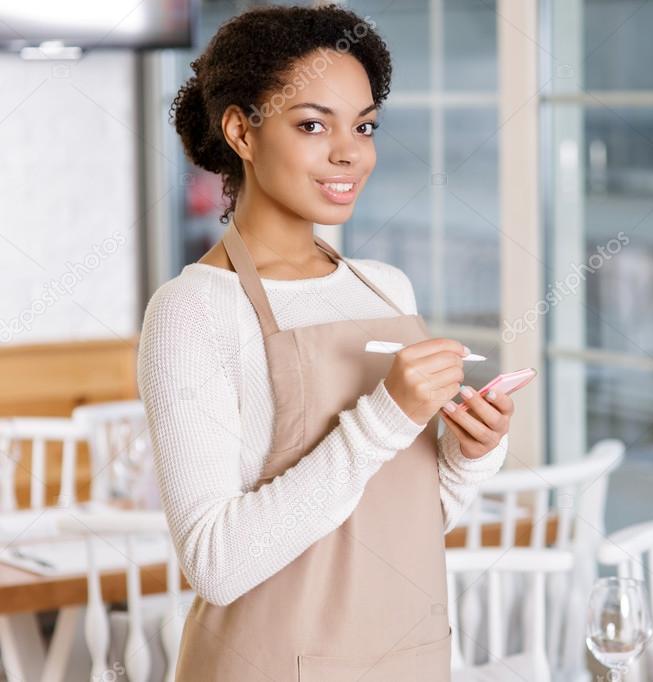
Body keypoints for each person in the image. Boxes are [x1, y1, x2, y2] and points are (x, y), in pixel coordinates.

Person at [136, 6, 513, 680]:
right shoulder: (194, 310)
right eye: (313, 125)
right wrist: (384, 419)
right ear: (239, 132)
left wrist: (466, 457)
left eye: (363, 126)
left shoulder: (386, 289)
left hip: (409, 658)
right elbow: (216, 565)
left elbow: (396, 527)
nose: (350, 152)